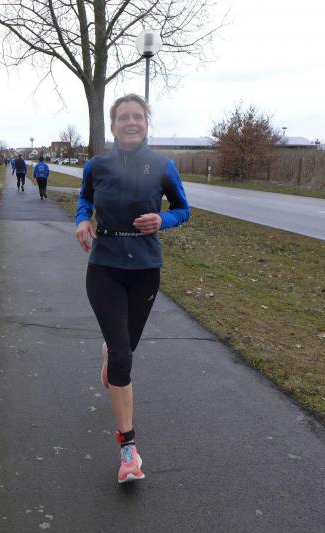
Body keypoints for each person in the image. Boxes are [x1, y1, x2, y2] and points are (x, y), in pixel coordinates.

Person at [75, 94, 190, 484]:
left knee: (125, 348)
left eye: (138, 116)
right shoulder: (97, 165)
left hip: (144, 269)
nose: (131, 122)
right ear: (113, 125)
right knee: (123, 358)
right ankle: (129, 451)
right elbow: (85, 198)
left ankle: (111, 353)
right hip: (104, 267)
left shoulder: (162, 166)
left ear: (146, 123)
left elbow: (184, 209)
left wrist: (163, 220)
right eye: (123, 117)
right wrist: (82, 220)